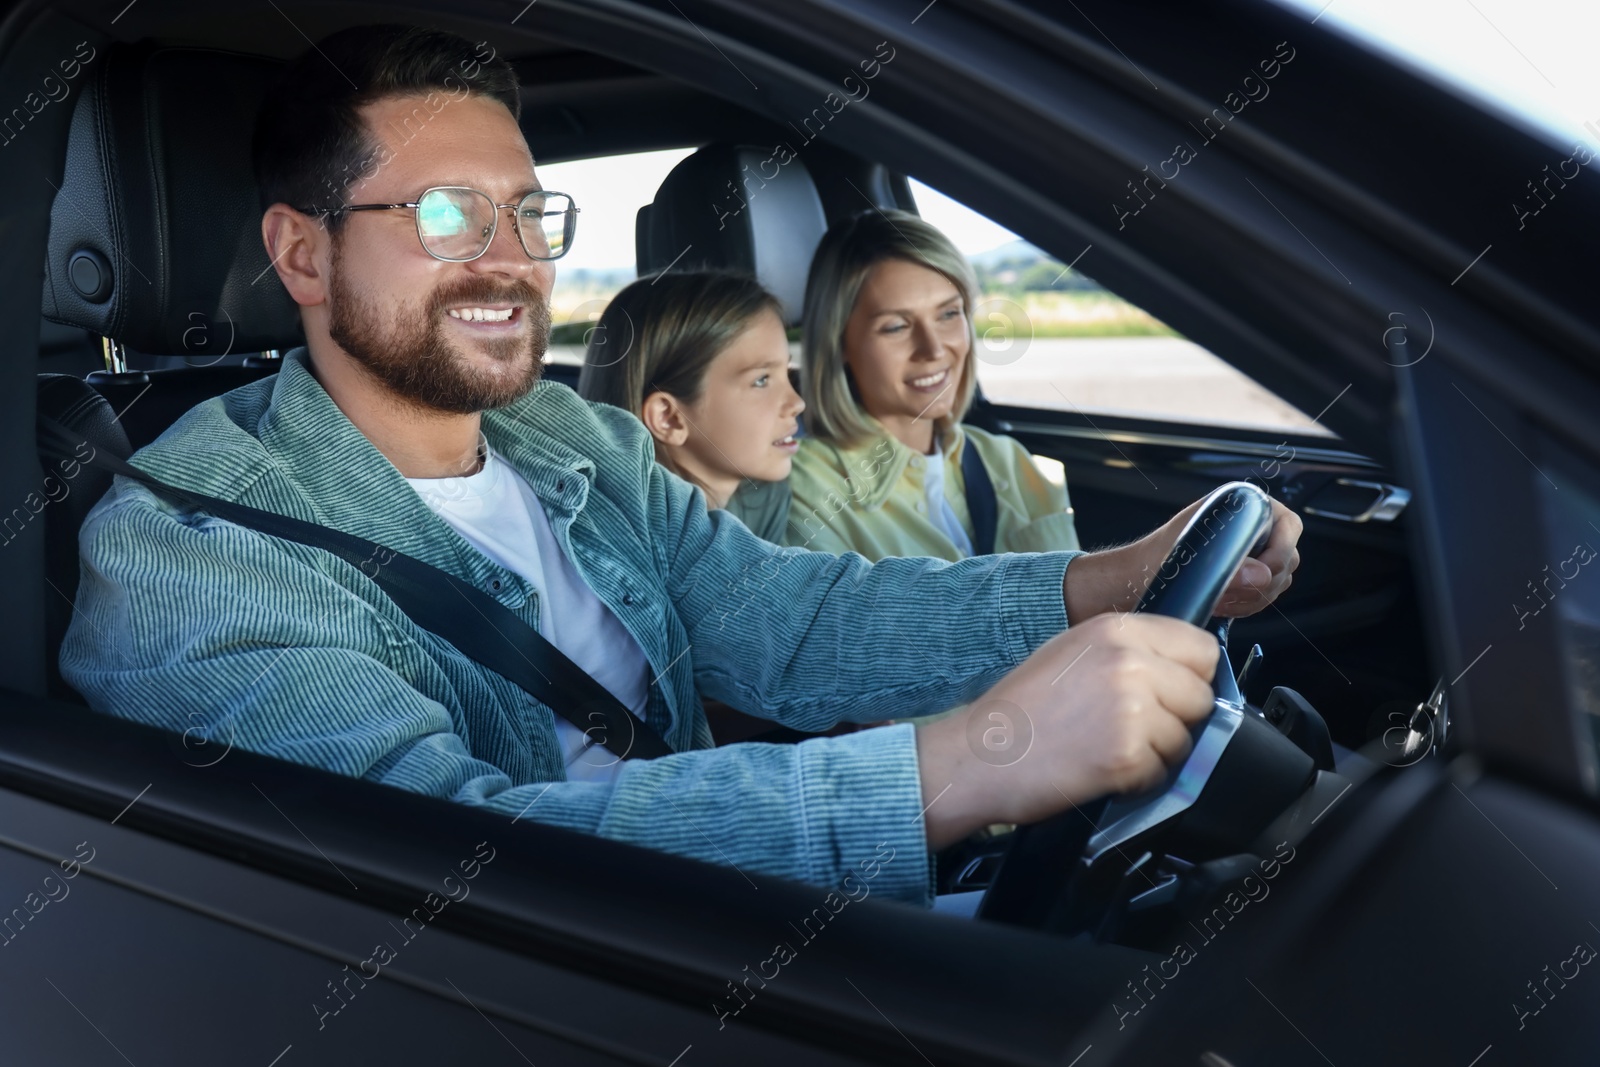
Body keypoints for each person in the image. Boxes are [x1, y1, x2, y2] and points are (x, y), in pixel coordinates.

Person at [60, 24, 1302, 907]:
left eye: (530, 215)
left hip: (734, 898)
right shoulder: (192, 539)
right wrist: (973, 760)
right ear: (304, 253)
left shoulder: (574, 440)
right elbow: (456, 864)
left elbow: (796, 620)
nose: (512, 263)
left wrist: (1108, 581)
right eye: (444, 216)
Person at [786, 209, 1079, 560]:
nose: (935, 349)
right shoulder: (806, 488)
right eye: (896, 327)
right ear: (839, 343)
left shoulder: (1007, 461)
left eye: (948, 314)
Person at [576, 271, 801, 543]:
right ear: (669, 418)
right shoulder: (618, 545)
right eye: (762, 380)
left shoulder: (764, 500)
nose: (797, 403)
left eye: (786, 372)